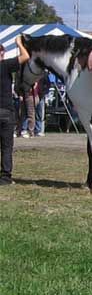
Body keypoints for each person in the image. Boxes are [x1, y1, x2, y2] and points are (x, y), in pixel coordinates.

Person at [0, 36, 31, 184]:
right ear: (2, 53)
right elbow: (25, 56)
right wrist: (19, 44)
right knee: (6, 146)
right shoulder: (5, 65)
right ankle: (5, 177)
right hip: (6, 110)